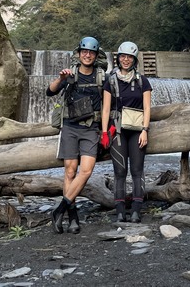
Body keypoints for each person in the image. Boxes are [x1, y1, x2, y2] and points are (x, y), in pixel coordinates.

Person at [46, 36, 105, 234]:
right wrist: (61, 78)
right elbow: (50, 91)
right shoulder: (69, 75)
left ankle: (59, 210)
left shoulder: (101, 77)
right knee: (70, 172)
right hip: (70, 128)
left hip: (90, 129)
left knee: (86, 171)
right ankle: (72, 217)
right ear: (79, 54)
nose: (87, 55)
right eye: (84, 52)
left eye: (91, 52)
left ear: (96, 56)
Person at [100, 41, 152, 223]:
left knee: (137, 171)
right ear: (118, 58)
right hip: (118, 131)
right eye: (123, 56)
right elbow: (105, 109)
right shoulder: (110, 81)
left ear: (134, 59)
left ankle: (137, 210)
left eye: (129, 57)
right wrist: (105, 132)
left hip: (137, 130)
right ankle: (120, 211)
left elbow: (147, 107)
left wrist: (145, 130)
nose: (126, 60)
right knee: (120, 171)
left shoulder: (142, 81)